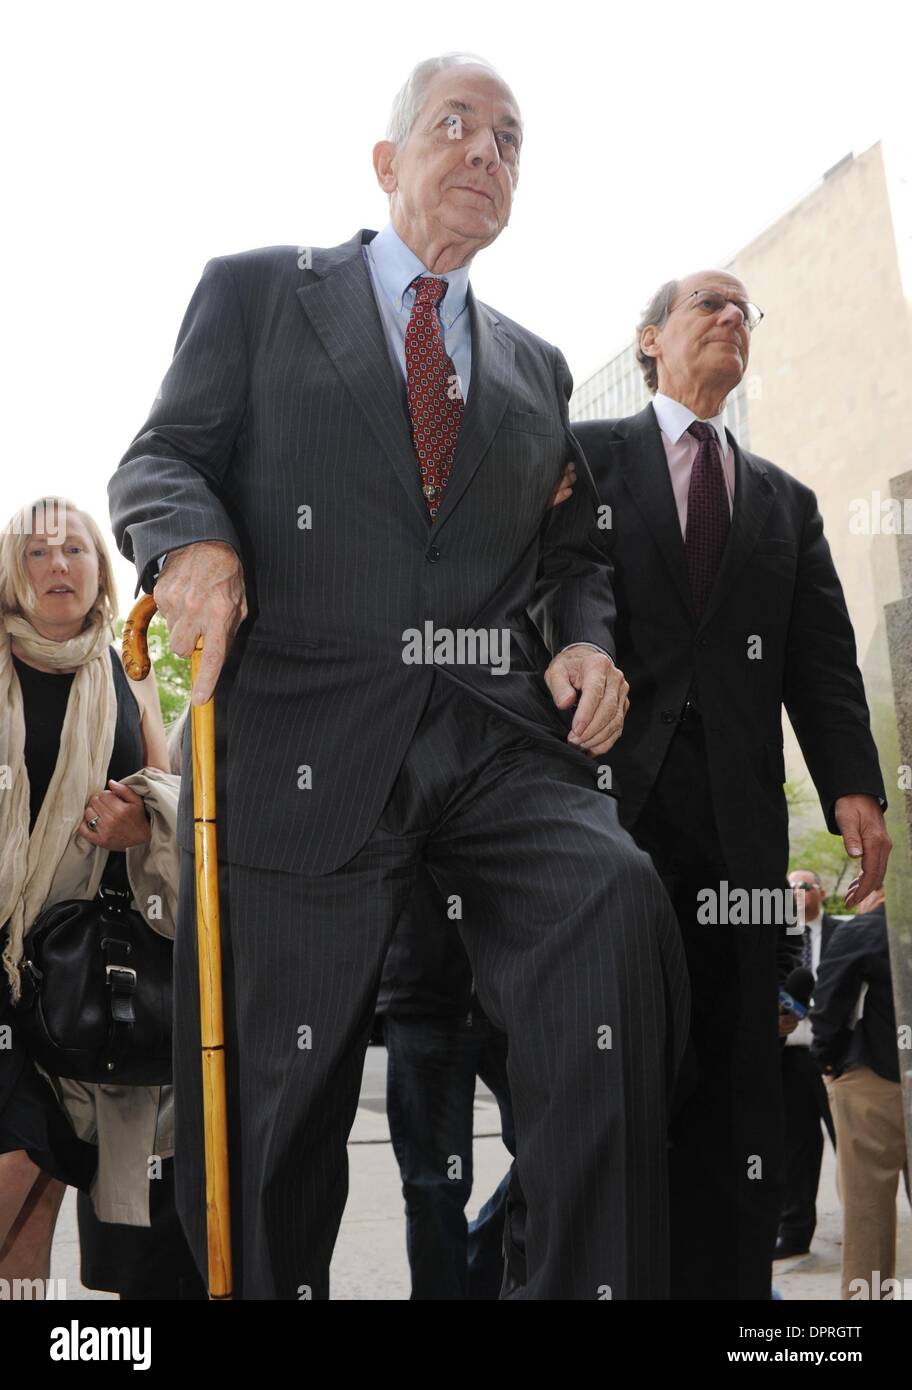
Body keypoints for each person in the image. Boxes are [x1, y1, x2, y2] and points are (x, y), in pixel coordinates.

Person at [108, 52, 690, 1300]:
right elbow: (159, 460)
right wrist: (195, 544)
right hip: (299, 733)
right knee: (275, 1107)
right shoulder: (259, 294)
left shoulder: (535, 368)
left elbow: (571, 554)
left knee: (615, 900)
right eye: (456, 126)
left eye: (511, 140)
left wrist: (586, 638)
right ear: (388, 161)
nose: (487, 152)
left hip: (488, 736)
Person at [571, 271, 890, 1300]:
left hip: (740, 838)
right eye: (709, 303)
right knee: (618, 1077)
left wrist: (855, 786)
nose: (731, 318)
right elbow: (552, 592)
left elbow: (823, 661)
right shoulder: (587, 457)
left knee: (738, 1079)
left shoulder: (784, 505)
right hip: (611, 817)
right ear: (650, 339)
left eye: (746, 309)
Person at [0, 497, 182, 1296]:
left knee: (38, 1185)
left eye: (74, 549)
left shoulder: (122, 672)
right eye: (36, 553)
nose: (58, 566)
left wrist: (144, 818)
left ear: (98, 568)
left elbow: (176, 798)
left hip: (70, 970)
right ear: (12, 574)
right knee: (14, 1161)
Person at [377, 865, 515, 1299]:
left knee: (556, 1149)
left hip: (508, 987)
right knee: (435, 1186)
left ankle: (474, 1268)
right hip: (427, 987)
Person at [811, 889, 909, 1299]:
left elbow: (829, 1004)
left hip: (873, 1079)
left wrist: (828, 1063)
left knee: (867, 1209)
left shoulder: (864, 931)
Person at [774, 868, 838, 1260]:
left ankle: (863, 1223)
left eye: (805, 886)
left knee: (849, 1145)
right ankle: (794, 1233)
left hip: (835, 1055)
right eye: (791, 885)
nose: (797, 891)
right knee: (797, 1148)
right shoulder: (779, 937)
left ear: (822, 892)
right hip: (791, 1055)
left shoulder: (842, 930)